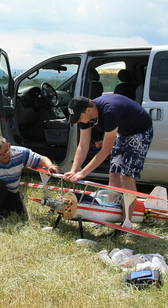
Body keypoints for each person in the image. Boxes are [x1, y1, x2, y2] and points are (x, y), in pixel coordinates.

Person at [63, 95, 153, 228]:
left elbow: (106, 150)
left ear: (88, 110)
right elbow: (83, 145)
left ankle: (127, 223)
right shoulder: (85, 116)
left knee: (126, 176)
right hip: (123, 133)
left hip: (140, 132)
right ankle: (111, 215)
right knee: (114, 174)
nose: (78, 121)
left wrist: (82, 173)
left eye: (79, 117)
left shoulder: (110, 112)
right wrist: (74, 170)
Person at [0, 136, 59, 225]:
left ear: (9, 145)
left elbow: (41, 158)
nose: (4, 156)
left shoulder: (20, 153)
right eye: (0, 155)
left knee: (22, 216)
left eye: (6, 152)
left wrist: (50, 166)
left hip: (11, 191)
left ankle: (3, 203)